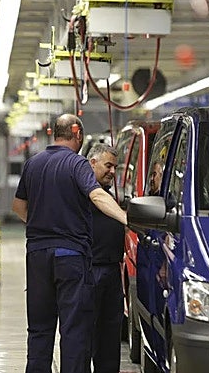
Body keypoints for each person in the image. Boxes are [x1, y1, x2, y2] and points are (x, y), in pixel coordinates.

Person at [11, 114, 127, 373]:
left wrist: (42, 222)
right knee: (74, 329)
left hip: (37, 256)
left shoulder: (33, 163)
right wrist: (125, 217)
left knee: (39, 329)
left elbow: (18, 206)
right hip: (70, 257)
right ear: (76, 133)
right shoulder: (77, 164)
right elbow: (97, 195)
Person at [87, 144, 125, 373]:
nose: (112, 171)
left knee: (111, 333)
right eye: (107, 165)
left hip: (111, 270)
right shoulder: (85, 191)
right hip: (91, 270)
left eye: (115, 167)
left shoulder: (108, 194)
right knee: (87, 333)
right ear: (92, 163)